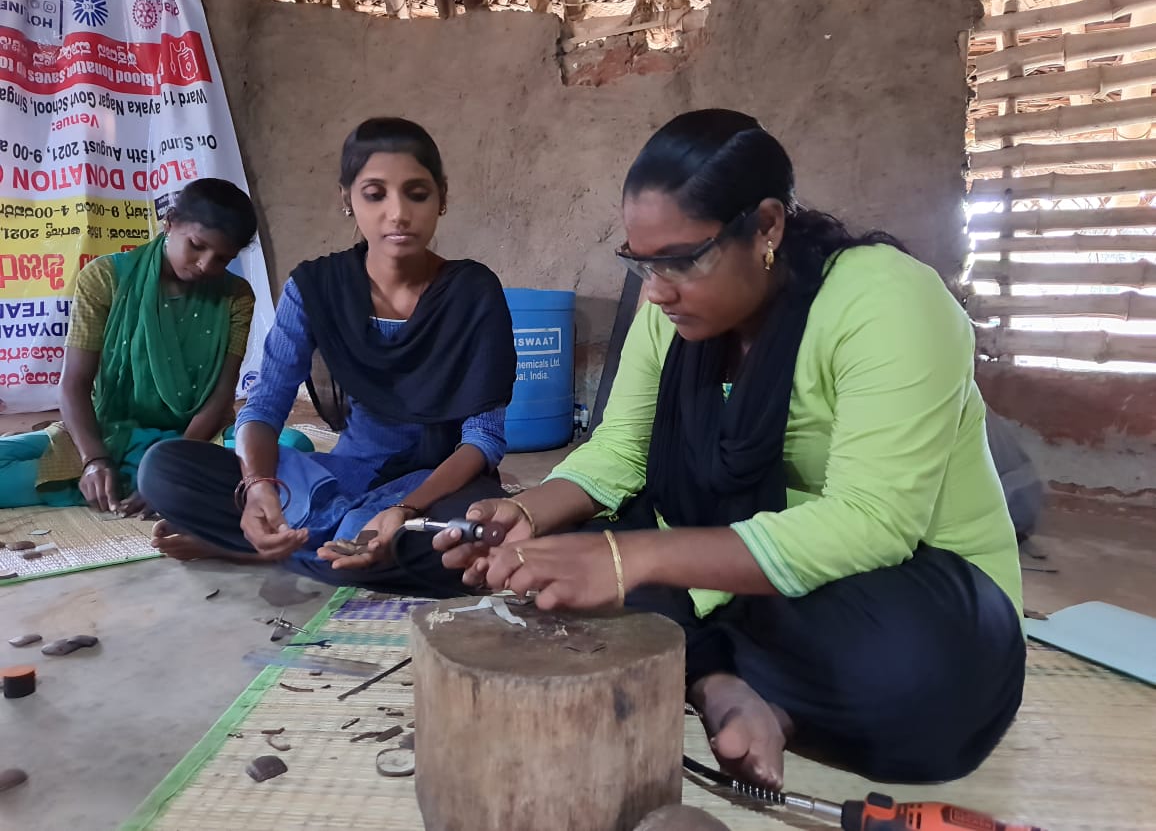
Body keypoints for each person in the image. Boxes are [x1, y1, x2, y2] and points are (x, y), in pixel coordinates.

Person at [433, 110, 1025, 791]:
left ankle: (705, 658)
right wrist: (532, 514)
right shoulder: (669, 316)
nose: (656, 290)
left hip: (910, 582)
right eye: (641, 263)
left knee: (918, 674)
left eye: (683, 259)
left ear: (767, 226)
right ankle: (723, 685)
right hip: (741, 560)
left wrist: (636, 558)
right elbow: (622, 449)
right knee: (557, 572)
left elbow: (872, 523)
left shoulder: (886, 300)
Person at [137, 118, 516, 593]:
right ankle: (327, 540)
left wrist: (404, 509)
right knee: (165, 470)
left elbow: (482, 440)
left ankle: (258, 547)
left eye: (416, 193)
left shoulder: (472, 291)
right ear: (347, 199)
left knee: (474, 540)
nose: (397, 214)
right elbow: (264, 407)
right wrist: (258, 488)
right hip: (340, 475)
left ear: (442, 197)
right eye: (375, 194)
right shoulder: (315, 287)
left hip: (436, 484)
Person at [0, 179, 259, 514]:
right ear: (170, 224)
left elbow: (220, 396)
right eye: (196, 245)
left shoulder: (236, 296)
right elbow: (74, 385)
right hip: (111, 433)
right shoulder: (105, 278)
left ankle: (150, 482)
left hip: (196, 439)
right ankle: (137, 482)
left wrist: (173, 468)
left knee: (291, 447)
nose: (206, 265)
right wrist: (93, 459)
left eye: (223, 259)